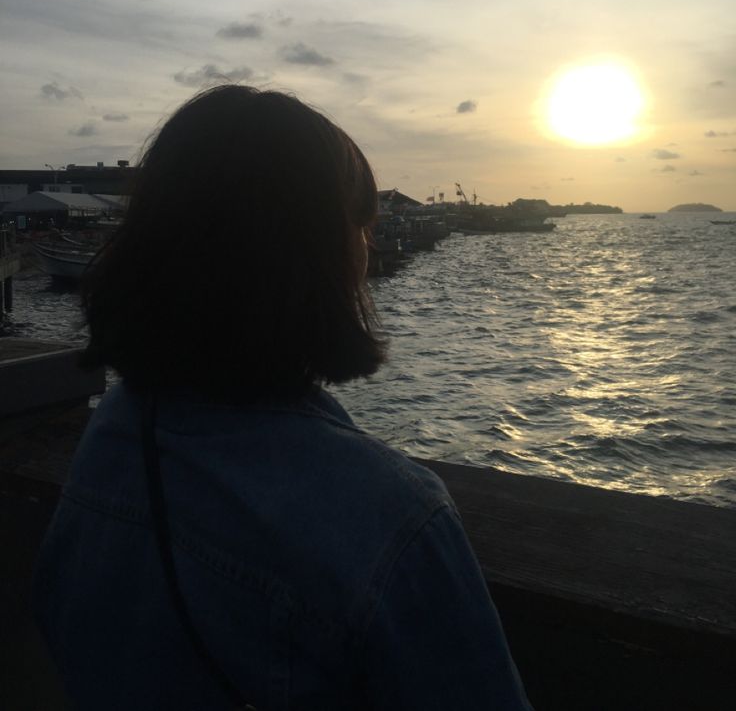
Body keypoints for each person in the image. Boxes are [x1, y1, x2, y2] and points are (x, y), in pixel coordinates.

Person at [33, 85, 533, 710]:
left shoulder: (115, 431)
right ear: (316, 254)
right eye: (360, 226)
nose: (368, 247)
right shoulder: (390, 515)